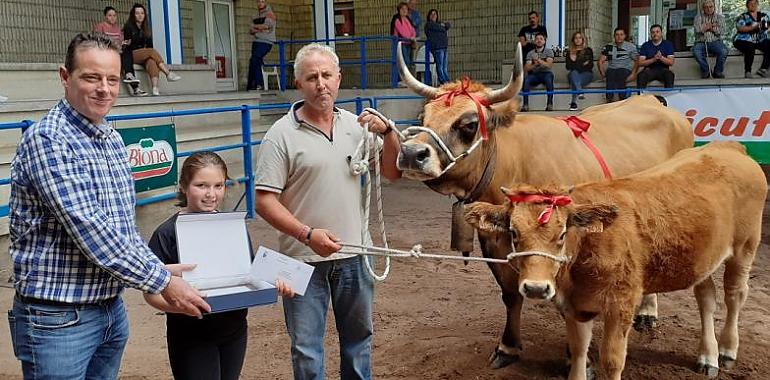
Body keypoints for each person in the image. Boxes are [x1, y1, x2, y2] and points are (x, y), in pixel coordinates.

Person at [6, 32, 208, 380]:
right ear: (65, 77)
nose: (104, 89)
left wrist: (153, 266)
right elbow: (91, 229)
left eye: (112, 79)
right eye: (91, 77)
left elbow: (122, 228)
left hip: (110, 309)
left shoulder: (111, 138)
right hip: (59, 318)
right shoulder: (48, 140)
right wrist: (160, 279)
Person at [254, 43, 401, 380]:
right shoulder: (281, 135)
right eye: (311, 77)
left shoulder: (357, 127)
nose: (320, 84)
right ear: (299, 84)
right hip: (301, 260)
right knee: (306, 349)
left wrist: (390, 133)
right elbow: (264, 201)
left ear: (339, 78)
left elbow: (392, 173)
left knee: (359, 341)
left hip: (355, 254)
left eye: (326, 75)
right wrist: (307, 235)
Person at [143, 151, 295, 380]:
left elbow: (250, 271)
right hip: (190, 334)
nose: (210, 194)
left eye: (218, 186)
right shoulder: (167, 233)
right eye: (201, 185)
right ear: (184, 186)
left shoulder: (232, 226)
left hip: (234, 329)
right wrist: (182, 307)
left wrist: (275, 282)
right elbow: (150, 293)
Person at [123, 3, 182, 96]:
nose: (140, 15)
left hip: (143, 55)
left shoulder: (146, 28)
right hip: (131, 54)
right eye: (137, 13)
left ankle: (155, 89)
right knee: (151, 51)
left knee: (151, 61)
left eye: (142, 13)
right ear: (133, 15)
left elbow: (149, 45)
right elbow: (128, 45)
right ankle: (167, 73)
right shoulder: (129, 27)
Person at [93, 6, 147, 96]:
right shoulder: (100, 27)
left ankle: (131, 79)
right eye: (110, 15)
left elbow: (121, 41)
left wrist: (125, 43)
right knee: (124, 56)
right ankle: (134, 85)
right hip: (106, 52)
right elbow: (97, 41)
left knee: (127, 52)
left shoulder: (118, 29)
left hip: (118, 51)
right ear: (105, 16)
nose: (112, 17)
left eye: (114, 15)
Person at [598, 27, 639, 102]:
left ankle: (622, 98)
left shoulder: (631, 46)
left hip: (625, 69)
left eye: (621, 34)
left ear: (625, 36)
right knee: (610, 73)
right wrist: (603, 74)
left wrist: (634, 74)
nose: (619, 36)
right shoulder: (608, 46)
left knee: (620, 72)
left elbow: (637, 60)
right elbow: (600, 61)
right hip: (612, 69)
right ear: (614, 36)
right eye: (617, 35)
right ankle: (609, 99)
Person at [734, 0, 770, 78]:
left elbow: (768, 27)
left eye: (755, 3)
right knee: (750, 47)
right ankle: (748, 72)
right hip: (743, 40)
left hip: (759, 40)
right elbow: (741, 28)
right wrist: (754, 26)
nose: (753, 5)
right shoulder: (742, 16)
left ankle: (763, 69)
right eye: (750, 4)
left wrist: (766, 28)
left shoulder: (764, 16)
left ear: (757, 4)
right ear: (747, 6)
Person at [693, 0, 728, 79]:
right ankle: (706, 71)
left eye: (710, 7)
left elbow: (722, 31)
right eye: (706, 7)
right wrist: (712, 26)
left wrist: (709, 28)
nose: (709, 9)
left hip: (715, 41)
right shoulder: (698, 17)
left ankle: (717, 72)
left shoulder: (720, 17)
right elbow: (697, 30)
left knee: (724, 51)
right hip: (701, 42)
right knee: (696, 51)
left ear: (714, 7)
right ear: (703, 8)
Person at [521, 33, 554, 112]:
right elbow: (526, 68)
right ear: (534, 41)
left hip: (546, 73)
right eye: (537, 39)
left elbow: (549, 65)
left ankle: (549, 103)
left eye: (541, 39)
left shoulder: (549, 52)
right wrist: (535, 64)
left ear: (544, 41)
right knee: (527, 80)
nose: (539, 40)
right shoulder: (530, 53)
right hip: (534, 74)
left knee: (549, 80)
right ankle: (525, 105)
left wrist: (539, 60)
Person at [247, 0, 277, 91]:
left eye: (262, 1)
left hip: (266, 42)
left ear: (266, 3)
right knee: (254, 61)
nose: (260, 3)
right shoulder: (255, 15)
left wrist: (258, 28)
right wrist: (259, 28)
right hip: (256, 41)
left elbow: (266, 27)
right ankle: (252, 85)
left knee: (255, 59)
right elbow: (251, 30)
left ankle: (258, 84)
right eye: (258, 1)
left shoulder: (270, 14)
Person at [637, 24, 675, 89]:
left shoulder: (668, 44)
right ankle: (641, 97)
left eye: (657, 32)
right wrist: (653, 59)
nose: (655, 34)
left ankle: (668, 97)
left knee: (670, 75)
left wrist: (661, 57)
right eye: (653, 32)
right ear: (650, 34)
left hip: (663, 70)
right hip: (649, 70)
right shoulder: (645, 45)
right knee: (641, 75)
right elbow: (640, 63)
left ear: (661, 33)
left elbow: (671, 62)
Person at [565, 31, 594, 111]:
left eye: (580, 38)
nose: (578, 40)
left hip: (587, 74)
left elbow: (589, 66)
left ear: (583, 39)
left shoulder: (588, 51)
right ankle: (580, 91)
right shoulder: (569, 52)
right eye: (576, 38)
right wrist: (581, 63)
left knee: (574, 76)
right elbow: (568, 67)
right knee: (574, 73)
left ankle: (573, 103)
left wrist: (574, 62)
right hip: (573, 75)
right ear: (573, 40)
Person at [424, 9, 451, 85]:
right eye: (431, 14)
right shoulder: (428, 25)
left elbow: (448, 25)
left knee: (444, 67)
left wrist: (443, 26)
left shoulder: (439, 24)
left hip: (444, 47)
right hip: (437, 48)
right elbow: (440, 27)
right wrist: (443, 27)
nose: (433, 15)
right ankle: (443, 82)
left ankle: (447, 81)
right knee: (440, 67)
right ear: (428, 16)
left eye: (435, 14)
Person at [391, 2, 416, 68]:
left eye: (406, 9)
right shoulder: (397, 19)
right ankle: (402, 78)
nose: (404, 10)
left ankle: (403, 78)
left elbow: (413, 29)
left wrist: (413, 37)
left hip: (409, 43)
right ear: (399, 10)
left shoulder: (408, 19)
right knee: (405, 62)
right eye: (402, 9)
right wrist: (410, 38)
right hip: (401, 43)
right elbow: (402, 32)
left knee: (408, 62)